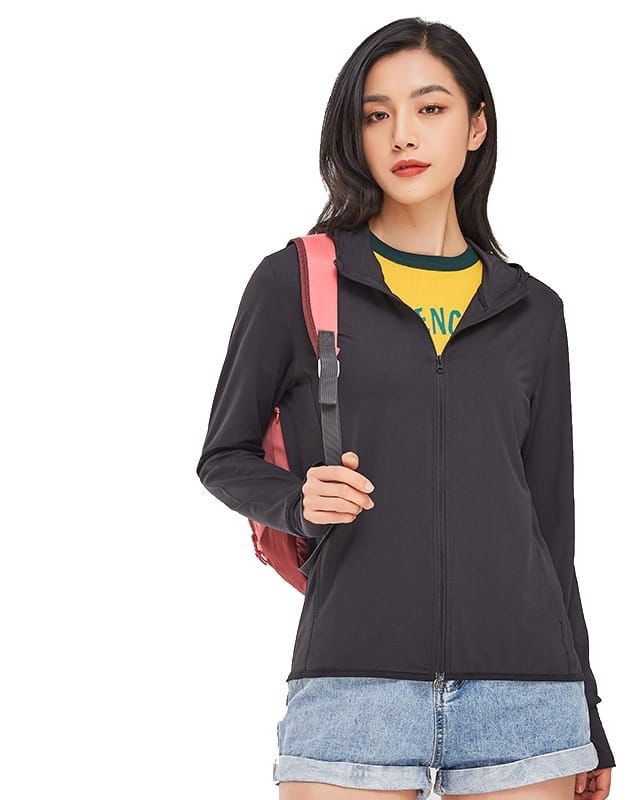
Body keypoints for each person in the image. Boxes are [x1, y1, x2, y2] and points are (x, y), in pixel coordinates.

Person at [196, 17, 616, 800]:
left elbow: (552, 529)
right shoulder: (296, 281)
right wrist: (297, 501)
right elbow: (223, 457)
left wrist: (587, 713)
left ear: (476, 126)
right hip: (352, 688)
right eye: (376, 114)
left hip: (529, 698)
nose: (402, 135)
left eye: (430, 108)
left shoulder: (533, 311)